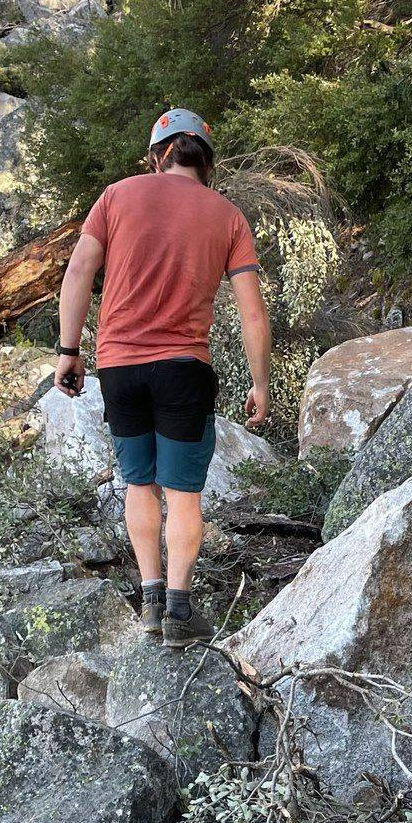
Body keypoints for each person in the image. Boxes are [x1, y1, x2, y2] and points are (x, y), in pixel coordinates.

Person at [55, 107, 271, 647]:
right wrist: (261, 384)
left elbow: (78, 270)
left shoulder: (116, 196)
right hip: (183, 369)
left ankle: (150, 605)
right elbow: (252, 313)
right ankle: (179, 610)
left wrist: (68, 350)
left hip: (119, 366)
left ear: (158, 156)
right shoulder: (228, 217)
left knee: (139, 483)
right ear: (206, 162)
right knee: (184, 493)